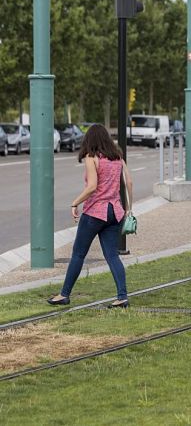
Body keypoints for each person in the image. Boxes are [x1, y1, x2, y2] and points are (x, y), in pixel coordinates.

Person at [47, 124, 133, 308]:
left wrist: (75, 202)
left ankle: (64, 294)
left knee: (78, 253)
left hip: (95, 212)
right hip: (115, 212)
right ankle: (122, 296)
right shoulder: (117, 157)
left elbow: (92, 186)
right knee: (112, 255)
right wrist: (128, 208)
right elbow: (129, 182)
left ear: (89, 140)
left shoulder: (91, 158)